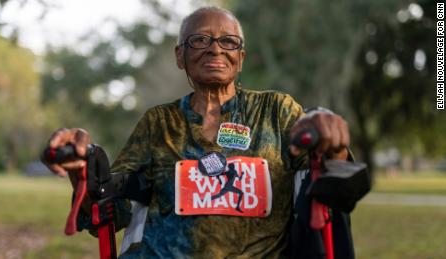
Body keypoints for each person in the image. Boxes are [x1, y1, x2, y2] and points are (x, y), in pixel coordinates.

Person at [44, 6, 352, 258]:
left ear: (240, 58)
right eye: (200, 40)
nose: (215, 49)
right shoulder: (159, 123)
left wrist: (333, 144)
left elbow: (327, 178)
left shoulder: (276, 111)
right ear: (180, 56)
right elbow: (108, 212)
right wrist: (81, 167)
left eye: (228, 41)